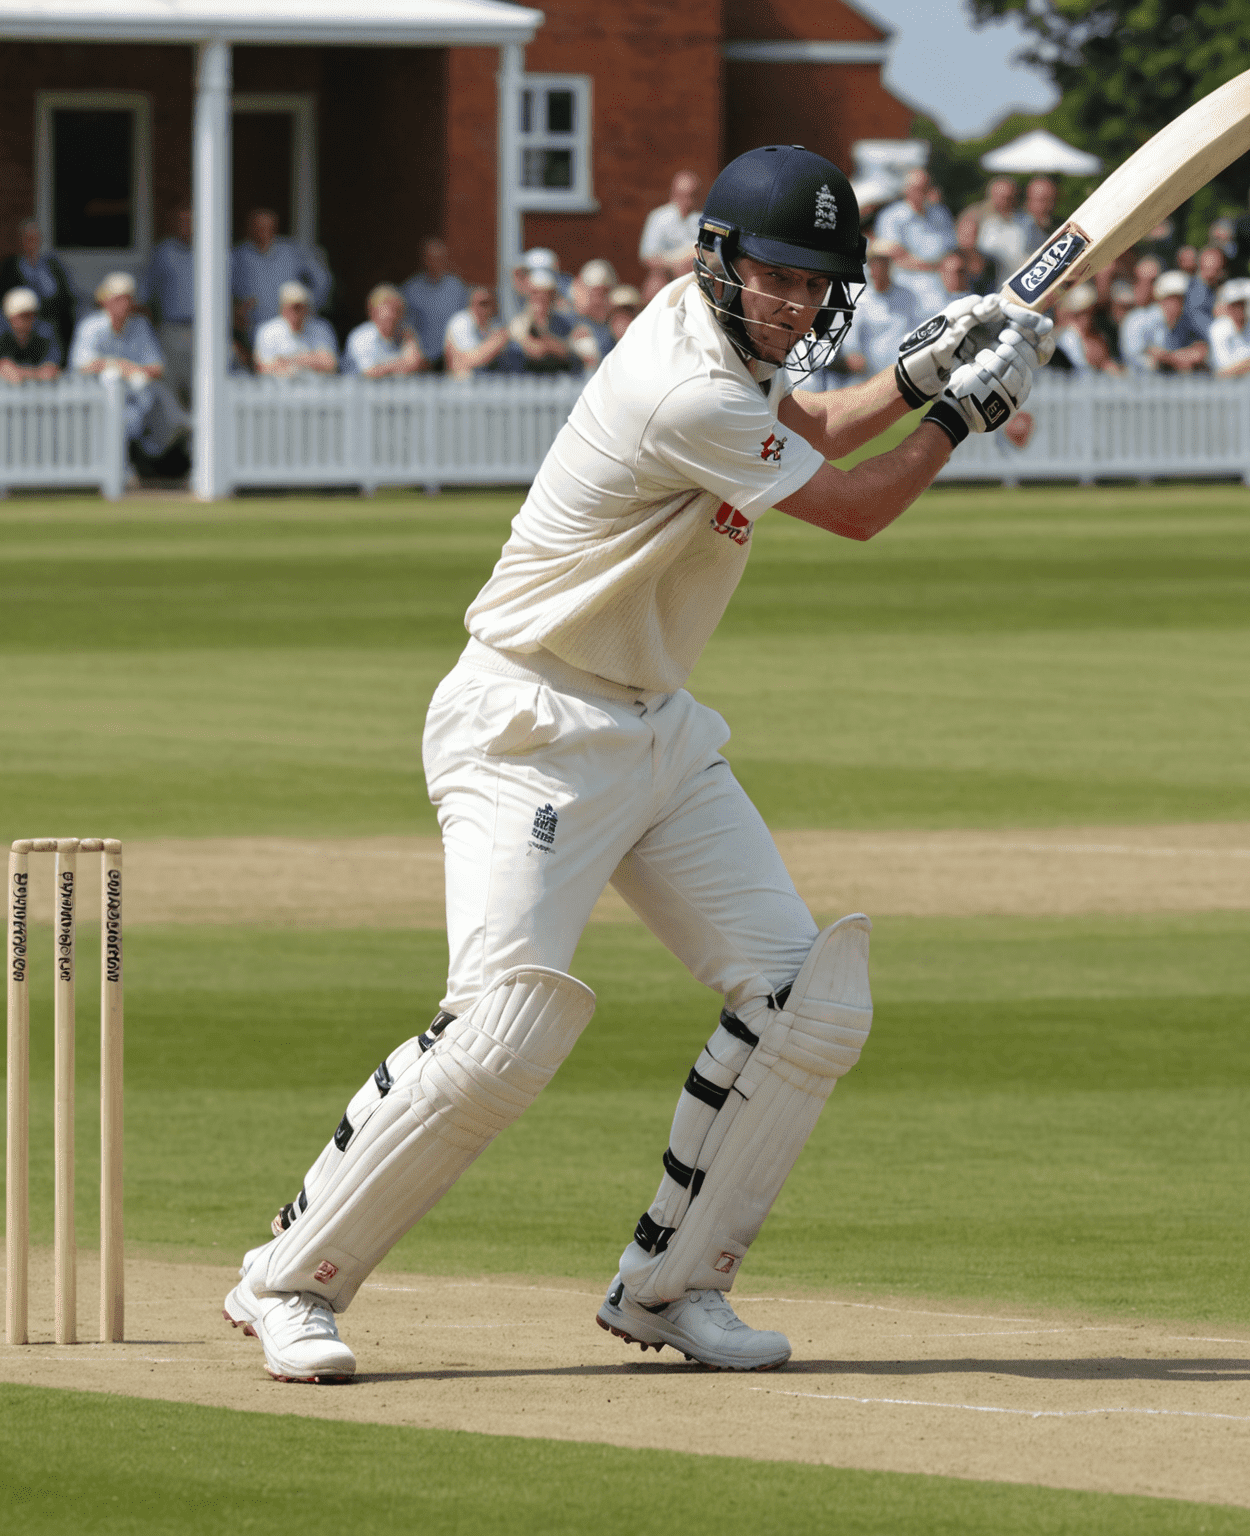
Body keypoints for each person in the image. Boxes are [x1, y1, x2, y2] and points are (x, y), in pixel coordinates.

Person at [220, 142, 1053, 1385]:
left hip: (653, 726)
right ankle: (286, 1279)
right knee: (501, 1031)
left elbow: (814, 422)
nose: (790, 303)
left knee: (807, 998)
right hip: (528, 729)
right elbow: (857, 504)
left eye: (814, 283)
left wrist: (914, 374)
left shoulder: (731, 362)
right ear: (715, 262)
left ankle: (674, 1287)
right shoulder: (684, 387)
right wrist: (959, 413)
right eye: (770, 276)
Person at [69, 272, 190, 472]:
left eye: (128, 299)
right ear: (105, 302)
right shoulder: (91, 326)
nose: (124, 304)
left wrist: (131, 369)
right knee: (119, 400)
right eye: (118, 299)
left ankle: (168, 449)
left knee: (163, 409)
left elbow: (157, 367)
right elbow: (82, 365)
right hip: (93, 400)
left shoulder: (140, 326)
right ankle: (121, 469)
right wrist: (118, 365)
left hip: (135, 399)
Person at [834, 238, 922, 386]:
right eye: (875, 262)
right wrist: (853, 356)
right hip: (868, 377)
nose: (879, 267)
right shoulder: (857, 298)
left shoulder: (907, 296)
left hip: (903, 373)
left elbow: (916, 331)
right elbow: (850, 344)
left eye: (883, 262)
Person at [233, 208, 333, 337]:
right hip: (251, 330)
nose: (262, 232)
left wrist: (309, 306)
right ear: (249, 229)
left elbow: (322, 278)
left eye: (267, 227)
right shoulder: (238, 255)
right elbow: (223, 290)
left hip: (288, 330)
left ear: (275, 228)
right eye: (258, 227)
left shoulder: (291, 251)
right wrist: (235, 310)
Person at [0, 219, 78, 361]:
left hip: (52, 321)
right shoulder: (10, 267)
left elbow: (66, 297)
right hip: (22, 320)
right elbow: (3, 297)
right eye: (27, 238)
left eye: (35, 238)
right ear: (21, 241)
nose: (31, 242)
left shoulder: (53, 266)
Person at [872, 168, 956, 309]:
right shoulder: (891, 217)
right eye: (917, 188)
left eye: (925, 187)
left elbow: (951, 250)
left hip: (940, 286)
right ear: (906, 189)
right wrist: (936, 265)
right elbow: (897, 258)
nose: (921, 192)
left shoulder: (940, 213)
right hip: (906, 287)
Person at [140, 207, 196, 406]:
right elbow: (147, 294)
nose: (187, 226)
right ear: (174, 224)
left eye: (191, 221)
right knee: (169, 385)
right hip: (171, 328)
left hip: (203, 331)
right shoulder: (163, 252)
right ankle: (176, 434)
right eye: (182, 221)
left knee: (201, 385)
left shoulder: (212, 251)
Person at [401, 238, 470, 371]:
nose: (435, 263)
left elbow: (465, 321)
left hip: (451, 359)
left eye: (440, 258)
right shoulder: (411, 289)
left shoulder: (456, 288)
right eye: (431, 258)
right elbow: (405, 327)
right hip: (423, 361)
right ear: (424, 260)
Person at [506, 270, 585, 374]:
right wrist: (552, 345)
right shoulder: (519, 322)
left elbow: (571, 353)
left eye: (547, 293)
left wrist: (551, 345)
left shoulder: (565, 322)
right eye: (535, 292)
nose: (541, 297)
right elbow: (535, 351)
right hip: (525, 381)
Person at [254, 281, 338, 376]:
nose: (295, 312)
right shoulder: (268, 331)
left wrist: (288, 361)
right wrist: (312, 360)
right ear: (282, 308)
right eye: (291, 307)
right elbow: (263, 368)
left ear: (307, 308)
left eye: (299, 307)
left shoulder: (321, 329)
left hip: (316, 388)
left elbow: (330, 364)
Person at [343, 284, 424, 377]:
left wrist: (410, 339)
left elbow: (417, 365)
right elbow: (369, 372)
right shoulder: (362, 337)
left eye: (396, 310)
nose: (391, 315)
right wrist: (401, 363)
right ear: (372, 310)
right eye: (386, 308)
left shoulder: (403, 335)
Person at [1137, 270, 1209, 373]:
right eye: (1172, 298)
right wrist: (1176, 359)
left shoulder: (1186, 321)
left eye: (1180, 298)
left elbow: (1201, 350)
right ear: (1160, 298)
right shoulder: (1140, 321)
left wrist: (1170, 358)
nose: (1176, 303)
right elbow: (1141, 357)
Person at [639, 170, 703, 284]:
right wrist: (676, 264)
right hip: (666, 274)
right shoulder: (659, 217)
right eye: (683, 195)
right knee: (655, 282)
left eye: (692, 195)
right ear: (673, 194)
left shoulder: (702, 220)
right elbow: (648, 257)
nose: (688, 201)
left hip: (698, 273)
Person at [0, 288, 60, 381]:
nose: (29, 320)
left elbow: (50, 372)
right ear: (11, 317)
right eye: (23, 315)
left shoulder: (44, 340)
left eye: (32, 315)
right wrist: (36, 373)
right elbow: (8, 373)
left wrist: (22, 372)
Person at [443, 286, 516, 377]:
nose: (484, 308)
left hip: (487, 381)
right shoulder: (461, 321)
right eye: (481, 303)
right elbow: (469, 360)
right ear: (471, 304)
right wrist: (498, 341)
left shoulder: (494, 325)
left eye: (488, 303)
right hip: (459, 384)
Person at [570, 259, 620, 366]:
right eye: (595, 293)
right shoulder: (571, 322)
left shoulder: (613, 323)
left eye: (604, 292)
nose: (598, 300)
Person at [1183, 245, 1227, 333]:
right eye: (1217, 267)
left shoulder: (1212, 289)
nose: (1220, 271)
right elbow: (1206, 329)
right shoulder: (1197, 292)